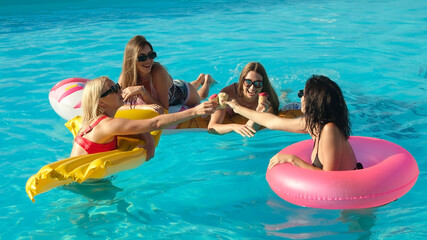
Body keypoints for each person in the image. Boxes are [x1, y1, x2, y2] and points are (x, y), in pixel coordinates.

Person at [225, 75, 362, 171]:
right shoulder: (312, 124)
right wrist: (237, 108)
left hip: (354, 193)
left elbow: (329, 176)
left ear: (314, 101)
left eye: (303, 94)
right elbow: (272, 122)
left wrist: (293, 159)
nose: (301, 97)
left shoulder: (329, 129)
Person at [70, 76, 217, 158]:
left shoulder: (99, 118)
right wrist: (195, 111)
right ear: (101, 101)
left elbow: (135, 125)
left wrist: (149, 141)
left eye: (117, 86)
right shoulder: (107, 125)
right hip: (84, 183)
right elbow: (155, 123)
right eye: (113, 90)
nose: (119, 90)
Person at [118, 35, 214, 111]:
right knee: (194, 86)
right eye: (142, 57)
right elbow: (116, 104)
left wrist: (143, 92)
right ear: (131, 60)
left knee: (202, 96)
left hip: (183, 92)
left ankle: (207, 81)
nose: (148, 60)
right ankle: (199, 80)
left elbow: (164, 109)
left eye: (151, 55)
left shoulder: (158, 71)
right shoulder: (126, 76)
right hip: (168, 85)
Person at [207, 62, 279, 137]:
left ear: (263, 84)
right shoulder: (227, 94)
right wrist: (233, 126)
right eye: (248, 82)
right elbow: (212, 128)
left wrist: (259, 112)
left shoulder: (267, 101)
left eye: (258, 83)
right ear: (241, 81)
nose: (252, 88)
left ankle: (284, 93)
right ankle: (208, 82)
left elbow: (250, 130)